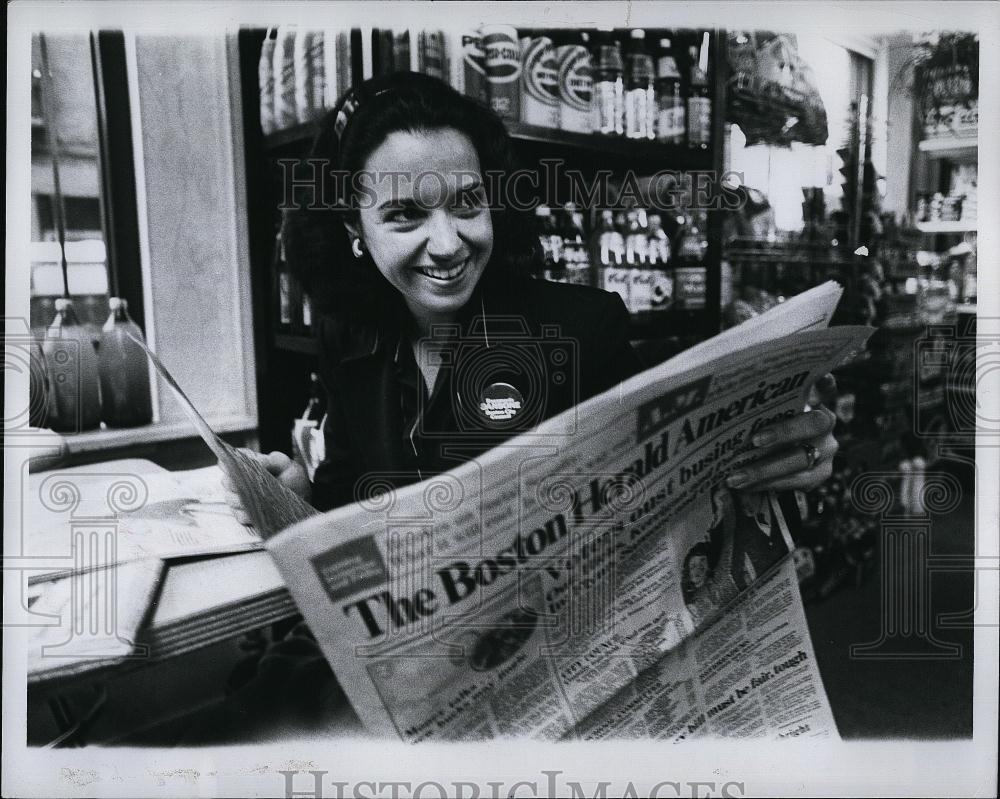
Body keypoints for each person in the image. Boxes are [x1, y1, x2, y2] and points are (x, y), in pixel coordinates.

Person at [215, 71, 838, 739]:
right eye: (404, 215)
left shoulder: (579, 328)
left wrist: (790, 456)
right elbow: (353, 492)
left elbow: (681, 499)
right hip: (412, 672)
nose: (449, 243)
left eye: (466, 203)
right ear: (355, 230)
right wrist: (299, 491)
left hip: (554, 677)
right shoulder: (351, 336)